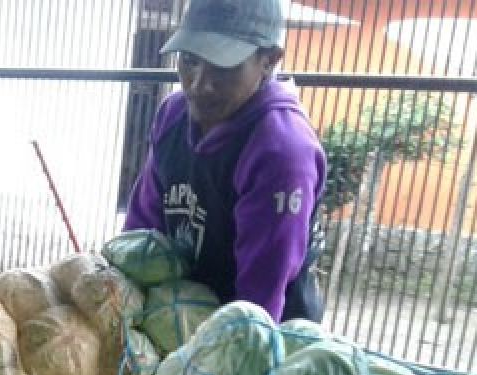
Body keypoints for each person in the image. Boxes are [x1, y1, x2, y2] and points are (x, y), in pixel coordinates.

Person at [124, 0, 327, 323]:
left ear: (269, 60)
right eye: (189, 61)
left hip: (264, 336)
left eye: (224, 67)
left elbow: (260, 301)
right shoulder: (173, 114)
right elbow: (141, 229)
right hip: (182, 317)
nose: (200, 83)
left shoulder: (281, 151)